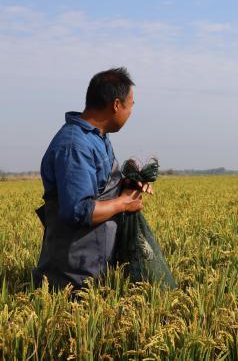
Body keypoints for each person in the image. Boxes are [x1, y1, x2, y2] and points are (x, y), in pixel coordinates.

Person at [33, 67, 153, 290]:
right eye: (131, 105)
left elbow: (101, 187)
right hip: (72, 279)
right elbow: (77, 211)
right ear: (116, 105)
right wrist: (123, 203)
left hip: (96, 267)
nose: (131, 112)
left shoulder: (97, 137)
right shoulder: (75, 146)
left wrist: (127, 186)